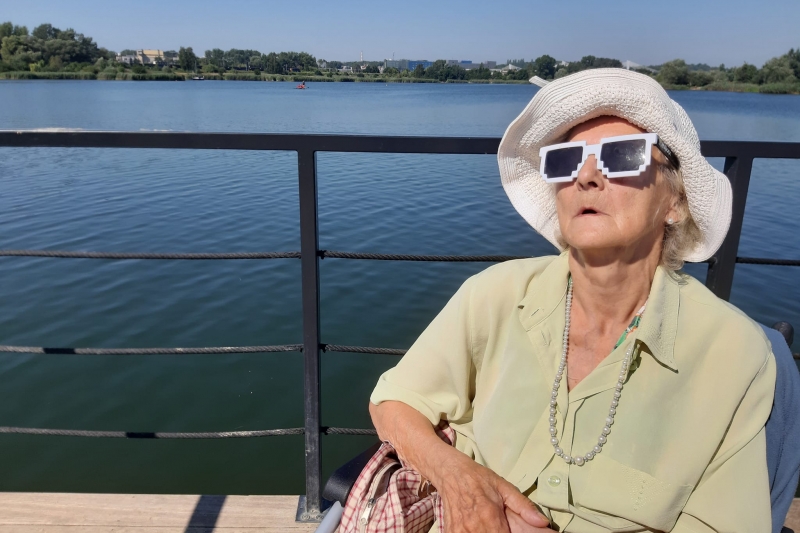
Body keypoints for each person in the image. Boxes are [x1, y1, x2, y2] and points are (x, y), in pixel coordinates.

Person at [368, 69, 777, 533]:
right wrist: (459, 479)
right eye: (565, 160)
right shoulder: (496, 295)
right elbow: (392, 403)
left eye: (623, 155)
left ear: (675, 203)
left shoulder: (732, 354)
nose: (586, 176)